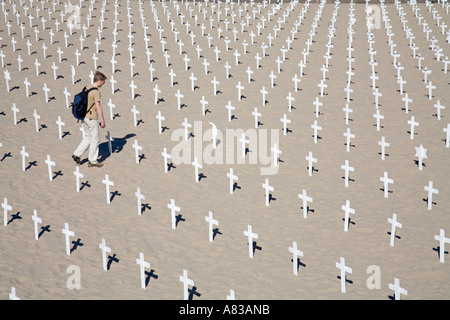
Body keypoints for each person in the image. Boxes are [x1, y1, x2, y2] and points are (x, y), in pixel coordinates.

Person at [72, 71, 107, 168]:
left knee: (87, 137)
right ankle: (92, 160)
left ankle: (77, 154)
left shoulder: (86, 87)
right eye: (103, 82)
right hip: (92, 118)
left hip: (84, 117)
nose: (103, 84)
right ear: (99, 81)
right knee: (95, 140)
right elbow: (98, 107)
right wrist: (102, 121)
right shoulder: (96, 92)